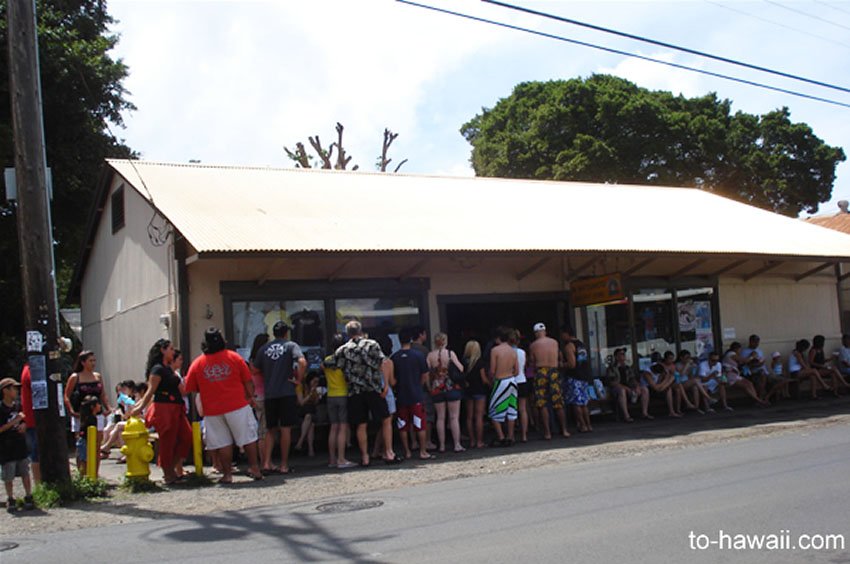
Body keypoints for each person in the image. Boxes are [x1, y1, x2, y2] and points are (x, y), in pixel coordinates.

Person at [184, 327, 263, 483]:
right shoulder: (234, 357)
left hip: (212, 409)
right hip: (237, 404)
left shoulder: (198, 363)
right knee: (248, 437)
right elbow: (247, 381)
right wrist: (251, 397)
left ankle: (227, 475)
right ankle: (255, 468)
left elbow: (191, 387)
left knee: (222, 442)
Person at [334, 320, 402, 465]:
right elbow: (383, 363)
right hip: (373, 387)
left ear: (348, 333)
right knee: (385, 419)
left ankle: (365, 456)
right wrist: (385, 386)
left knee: (361, 424)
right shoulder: (372, 344)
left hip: (355, 390)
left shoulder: (342, 350)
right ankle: (389, 453)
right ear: (360, 330)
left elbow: (338, 367)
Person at [130, 339, 193, 485]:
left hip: (177, 407)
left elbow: (182, 390)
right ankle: (168, 473)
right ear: (163, 350)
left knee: (186, 436)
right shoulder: (157, 369)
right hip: (164, 407)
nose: (173, 351)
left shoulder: (169, 369)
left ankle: (171, 467)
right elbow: (150, 391)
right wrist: (139, 408)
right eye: (170, 349)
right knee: (167, 441)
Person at [255, 321, 307, 475]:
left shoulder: (264, 349)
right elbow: (302, 362)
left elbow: (255, 368)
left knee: (270, 430)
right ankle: (284, 464)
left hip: (270, 393)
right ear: (286, 333)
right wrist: (299, 379)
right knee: (285, 430)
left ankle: (266, 463)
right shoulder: (291, 345)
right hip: (286, 392)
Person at [64, 350, 112, 475]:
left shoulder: (97, 376)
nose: (93, 363)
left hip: (97, 413)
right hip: (81, 414)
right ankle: (82, 473)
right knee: (81, 444)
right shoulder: (76, 377)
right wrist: (71, 411)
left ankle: (95, 473)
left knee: (96, 444)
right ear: (83, 362)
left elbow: (103, 394)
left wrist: (107, 407)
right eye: (90, 361)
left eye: (94, 360)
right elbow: (66, 395)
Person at [391, 327, 433, 460]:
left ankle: (407, 451)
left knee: (403, 425)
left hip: (401, 395)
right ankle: (422, 451)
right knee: (420, 424)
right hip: (416, 394)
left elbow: (392, 380)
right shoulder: (419, 355)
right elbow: (425, 376)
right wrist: (418, 386)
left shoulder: (394, 357)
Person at [529, 322, 570, 438]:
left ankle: (547, 432)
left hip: (541, 371)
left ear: (536, 333)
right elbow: (560, 357)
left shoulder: (533, 345)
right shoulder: (554, 342)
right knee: (558, 402)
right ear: (545, 332)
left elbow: (532, 361)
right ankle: (564, 430)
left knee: (542, 403)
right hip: (553, 371)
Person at [427, 332, 465, 453]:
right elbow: (461, 368)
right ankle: (457, 444)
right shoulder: (450, 353)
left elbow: (427, 373)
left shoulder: (430, 356)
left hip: (437, 388)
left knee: (440, 418)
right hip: (451, 387)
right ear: (445, 341)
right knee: (454, 417)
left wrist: (429, 387)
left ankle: (442, 445)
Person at [1, 378, 34, 512]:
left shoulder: (18, 406)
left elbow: (24, 420)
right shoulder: (1, 408)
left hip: (20, 444)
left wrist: (23, 425)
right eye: (13, 388)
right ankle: (11, 498)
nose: (16, 391)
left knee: (25, 472)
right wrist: (15, 421)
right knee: (8, 475)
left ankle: (28, 496)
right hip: (6, 446)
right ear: (5, 390)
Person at [323, 333, 354, 469]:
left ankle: (332, 459)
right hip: (342, 394)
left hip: (331, 395)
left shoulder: (326, 360)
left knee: (333, 427)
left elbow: (321, 367)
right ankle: (341, 459)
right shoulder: (345, 361)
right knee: (342, 427)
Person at [488, 326, 519, 446]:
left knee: (494, 411)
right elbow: (517, 371)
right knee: (511, 409)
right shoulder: (513, 350)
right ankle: (510, 436)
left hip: (500, 381)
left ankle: (501, 437)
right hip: (512, 380)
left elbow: (492, 370)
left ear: (497, 338)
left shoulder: (495, 351)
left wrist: (492, 379)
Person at [561, 326, 593, 431]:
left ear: (566, 334)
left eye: (562, 334)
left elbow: (571, 364)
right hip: (584, 376)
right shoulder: (581, 345)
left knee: (576, 403)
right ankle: (588, 425)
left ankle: (582, 425)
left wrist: (561, 364)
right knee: (584, 403)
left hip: (574, 377)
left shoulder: (569, 346)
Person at [604, 347, 649, 421]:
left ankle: (645, 413)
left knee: (644, 389)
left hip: (629, 387)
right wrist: (626, 388)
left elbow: (632, 379)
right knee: (622, 391)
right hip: (617, 389)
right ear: (616, 356)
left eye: (624, 354)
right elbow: (612, 382)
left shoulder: (627, 368)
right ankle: (626, 415)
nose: (623, 356)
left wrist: (637, 386)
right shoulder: (611, 368)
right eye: (621, 354)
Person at [722, 342, 770, 406]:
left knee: (749, 383)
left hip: (735, 374)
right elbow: (745, 360)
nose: (740, 351)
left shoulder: (732, 354)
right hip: (729, 376)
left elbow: (741, 364)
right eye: (739, 349)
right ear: (736, 349)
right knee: (746, 386)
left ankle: (757, 400)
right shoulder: (731, 354)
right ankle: (759, 401)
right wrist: (752, 356)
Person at [247, 333, 270, 470]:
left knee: (261, 429)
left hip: (255, 396)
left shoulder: (251, 359)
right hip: (262, 396)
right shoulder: (262, 361)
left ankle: (264, 460)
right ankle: (264, 461)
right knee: (264, 431)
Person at [462, 339, 488, 449]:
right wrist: (490, 384)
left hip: (468, 390)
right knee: (479, 416)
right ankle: (479, 441)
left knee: (469, 417)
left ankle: (472, 440)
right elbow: (483, 379)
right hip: (479, 390)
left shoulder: (463, 361)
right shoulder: (479, 362)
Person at [19, 363, 40, 483]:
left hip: (33, 420)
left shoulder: (27, 368)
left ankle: (40, 483)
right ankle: (39, 484)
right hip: (33, 420)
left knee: (36, 453)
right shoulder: (31, 370)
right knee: (36, 454)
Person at [509, 330, 530, 443]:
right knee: (523, 409)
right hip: (522, 380)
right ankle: (524, 435)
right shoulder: (522, 352)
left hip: (512, 380)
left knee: (511, 409)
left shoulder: (508, 352)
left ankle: (511, 435)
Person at [294, 373, 322, 457]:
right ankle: (310, 449)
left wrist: (316, 394)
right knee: (310, 422)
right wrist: (309, 394)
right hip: (301, 411)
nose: (315, 383)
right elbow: (301, 402)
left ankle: (300, 442)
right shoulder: (300, 387)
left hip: (312, 411)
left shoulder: (315, 389)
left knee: (309, 419)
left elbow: (316, 403)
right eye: (314, 381)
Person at [740, 334, 769, 399]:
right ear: (750, 342)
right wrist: (752, 358)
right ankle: (761, 398)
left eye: (757, 342)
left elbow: (762, 360)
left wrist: (761, 363)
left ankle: (764, 397)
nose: (756, 344)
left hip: (763, 369)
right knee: (761, 376)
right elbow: (744, 364)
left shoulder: (759, 350)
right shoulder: (744, 351)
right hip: (753, 372)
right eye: (755, 342)